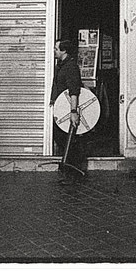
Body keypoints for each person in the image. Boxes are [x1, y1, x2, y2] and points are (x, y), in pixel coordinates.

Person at [51, 39, 85, 176]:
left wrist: (73, 111)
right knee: (60, 137)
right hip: (61, 107)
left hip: (67, 108)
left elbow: (74, 91)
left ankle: (73, 169)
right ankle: (69, 166)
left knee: (68, 139)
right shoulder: (61, 65)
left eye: (56, 48)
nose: (54, 50)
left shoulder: (70, 67)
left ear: (64, 51)